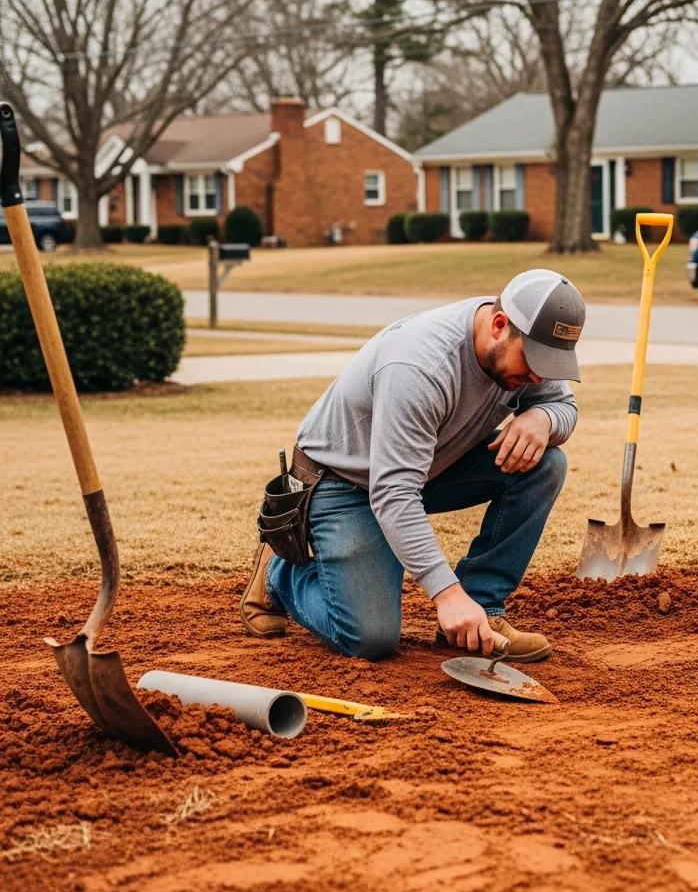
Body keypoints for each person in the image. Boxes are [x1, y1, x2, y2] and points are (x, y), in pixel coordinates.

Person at [241, 269, 586, 662]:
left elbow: (563, 405)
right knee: (370, 638)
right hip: (343, 482)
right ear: (499, 325)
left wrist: (544, 418)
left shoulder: (523, 354)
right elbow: (393, 492)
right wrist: (447, 594)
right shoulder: (420, 366)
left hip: (423, 467)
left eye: (550, 363)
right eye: (532, 359)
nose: (538, 375)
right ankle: (281, 571)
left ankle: (482, 608)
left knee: (546, 464)